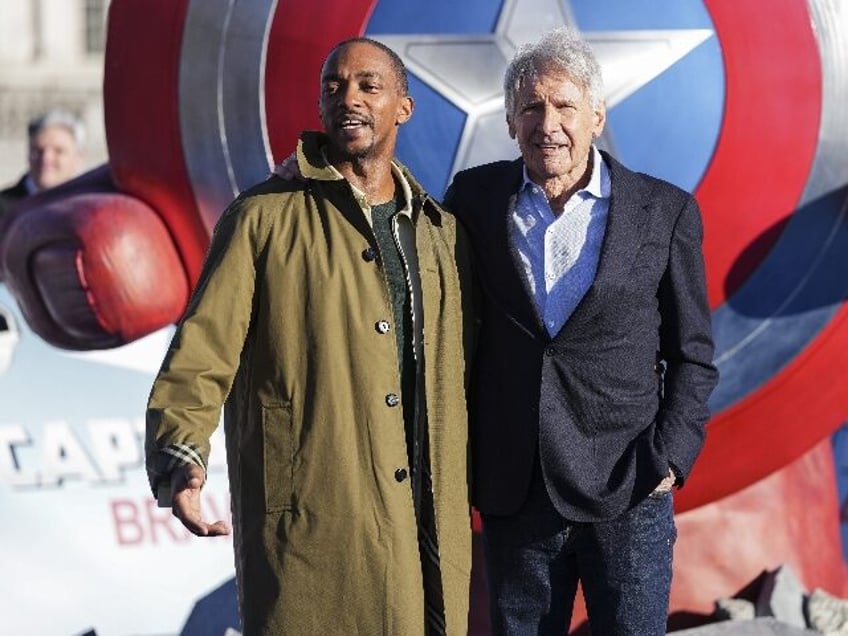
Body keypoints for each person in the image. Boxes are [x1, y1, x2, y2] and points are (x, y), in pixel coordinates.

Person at [145, 38, 473, 635]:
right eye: (333, 86)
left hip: (427, 522)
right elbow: (202, 352)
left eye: (369, 86)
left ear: (403, 107)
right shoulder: (261, 217)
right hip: (313, 520)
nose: (349, 98)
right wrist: (180, 458)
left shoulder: (437, 232)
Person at [444, 27, 719, 636]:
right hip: (516, 494)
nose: (548, 123)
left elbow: (692, 353)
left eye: (565, 105)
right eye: (531, 107)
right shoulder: (473, 200)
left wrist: (671, 458)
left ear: (596, 115)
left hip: (629, 491)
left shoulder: (664, 211)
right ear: (511, 121)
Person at [0, 108, 86, 217]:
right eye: (38, 150)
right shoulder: (4, 210)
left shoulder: (88, 209)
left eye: (58, 151)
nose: (46, 158)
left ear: (79, 157)